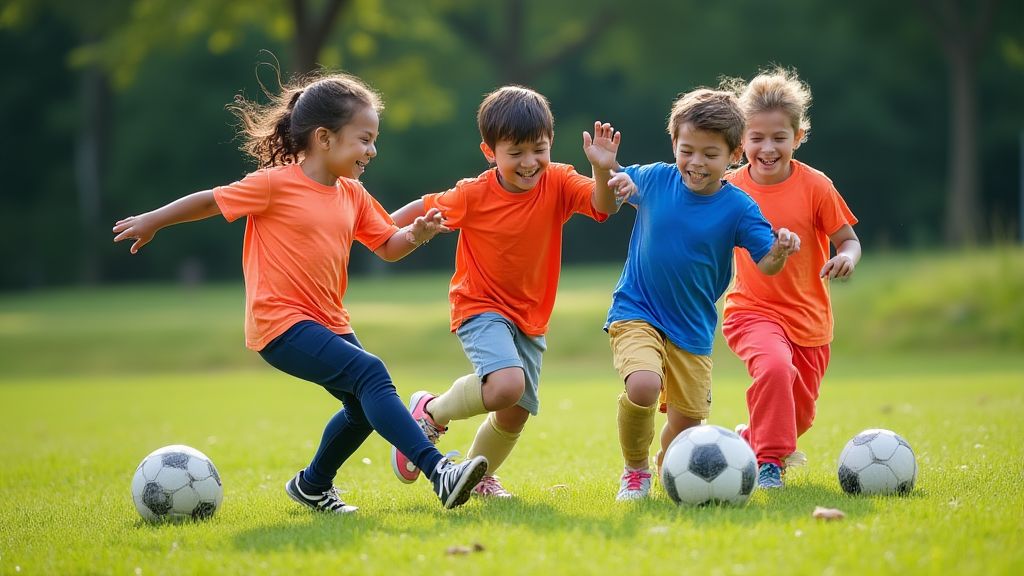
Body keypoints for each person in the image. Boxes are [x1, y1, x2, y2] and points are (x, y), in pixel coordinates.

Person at [112, 70, 488, 513]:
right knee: (371, 374)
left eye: (374, 140)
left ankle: (313, 485)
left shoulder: (353, 194)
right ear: (324, 138)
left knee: (364, 408)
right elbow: (212, 201)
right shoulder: (275, 184)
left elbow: (387, 246)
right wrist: (154, 220)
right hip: (280, 324)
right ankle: (439, 471)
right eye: (363, 139)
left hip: (329, 322)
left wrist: (417, 234)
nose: (372, 149)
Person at [387, 85, 635, 497]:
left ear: (550, 143)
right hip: (480, 305)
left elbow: (604, 206)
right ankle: (431, 413)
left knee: (515, 412)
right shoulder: (473, 193)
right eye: (514, 152)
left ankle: (478, 476)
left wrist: (603, 170)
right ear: (490, 152)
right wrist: (380, 230)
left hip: (531, 316)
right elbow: (422, 206)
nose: (529, 162)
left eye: (538, 149)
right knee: (506, 386)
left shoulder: (558, 180)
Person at [605, 86, 801, 501]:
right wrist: (609, 172)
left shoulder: (740, 207)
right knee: (641, 385)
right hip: (636, 309)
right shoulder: (656, 179)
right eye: (687, 150)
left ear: (733, 156)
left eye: (709, 155)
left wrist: (780, 250)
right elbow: (613, 194)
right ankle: (635, 471)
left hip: (692, 330)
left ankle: (667, 467)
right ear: (674, 143)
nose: (695, 163)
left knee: (688, 424)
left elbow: (766, 262)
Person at [723, 67, 860, 489]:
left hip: (810, 322)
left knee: (799, 414)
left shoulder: (816, 186)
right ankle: (769, 466)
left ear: (798, 137)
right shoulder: (727, 188)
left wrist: (847, 258)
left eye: (779, 138)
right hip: (752, 312)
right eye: (756, 138)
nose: (767, 148)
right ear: (740, 140)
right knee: (775, 370)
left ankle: (744, 444)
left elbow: (848, 239)